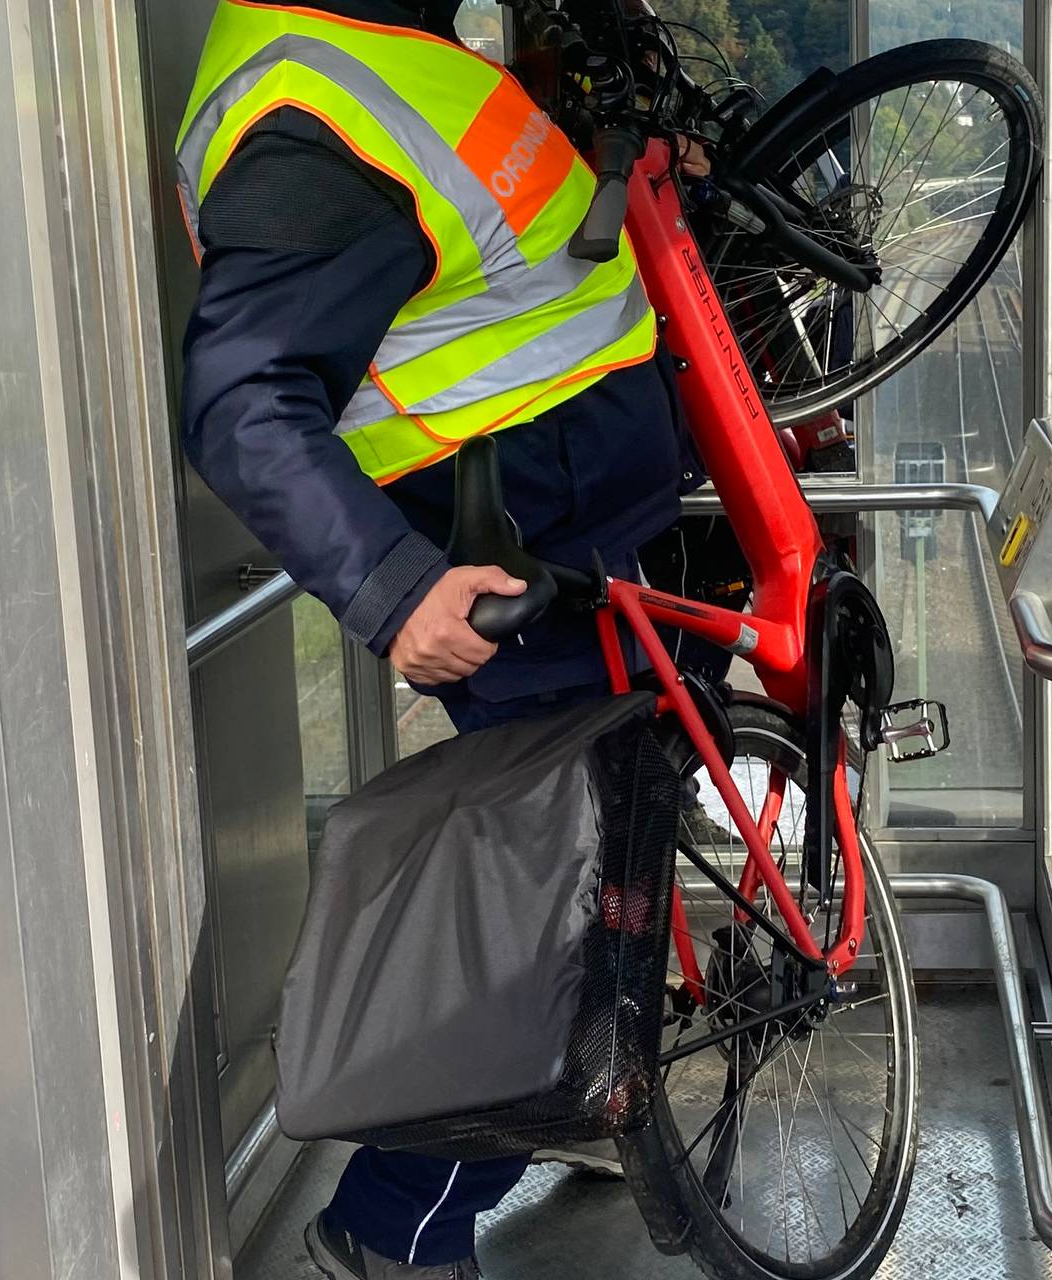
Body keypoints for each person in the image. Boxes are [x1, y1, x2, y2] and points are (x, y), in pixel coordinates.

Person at [174, 0, 697, 1275]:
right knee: (560, 911)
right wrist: (393, 587)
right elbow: (243, 399)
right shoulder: (311, 118)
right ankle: (393, 1226)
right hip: (524, 561)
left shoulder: (384, 48)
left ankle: (578, 1100)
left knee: (599, 880)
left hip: (577, 533)